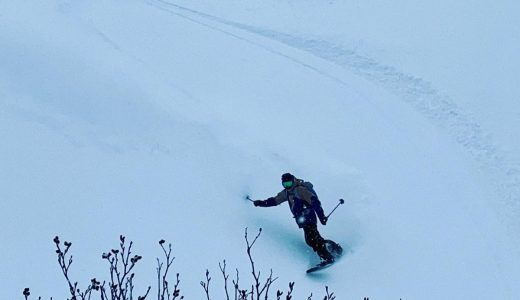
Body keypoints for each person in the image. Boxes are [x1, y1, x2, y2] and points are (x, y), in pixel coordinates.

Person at [251, 173, 335, 264]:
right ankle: (333, 248)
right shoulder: (286, 192)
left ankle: (327, 257)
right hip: (302, 219)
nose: (287, 186)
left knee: (311, 239)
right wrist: (260, 203)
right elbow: (275, 201)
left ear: (293, 181)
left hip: (308, 216)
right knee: (314, 238)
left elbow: (315, 202)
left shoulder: (300, 190)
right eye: (285, 184)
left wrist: (321, 216)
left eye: (289, 183)